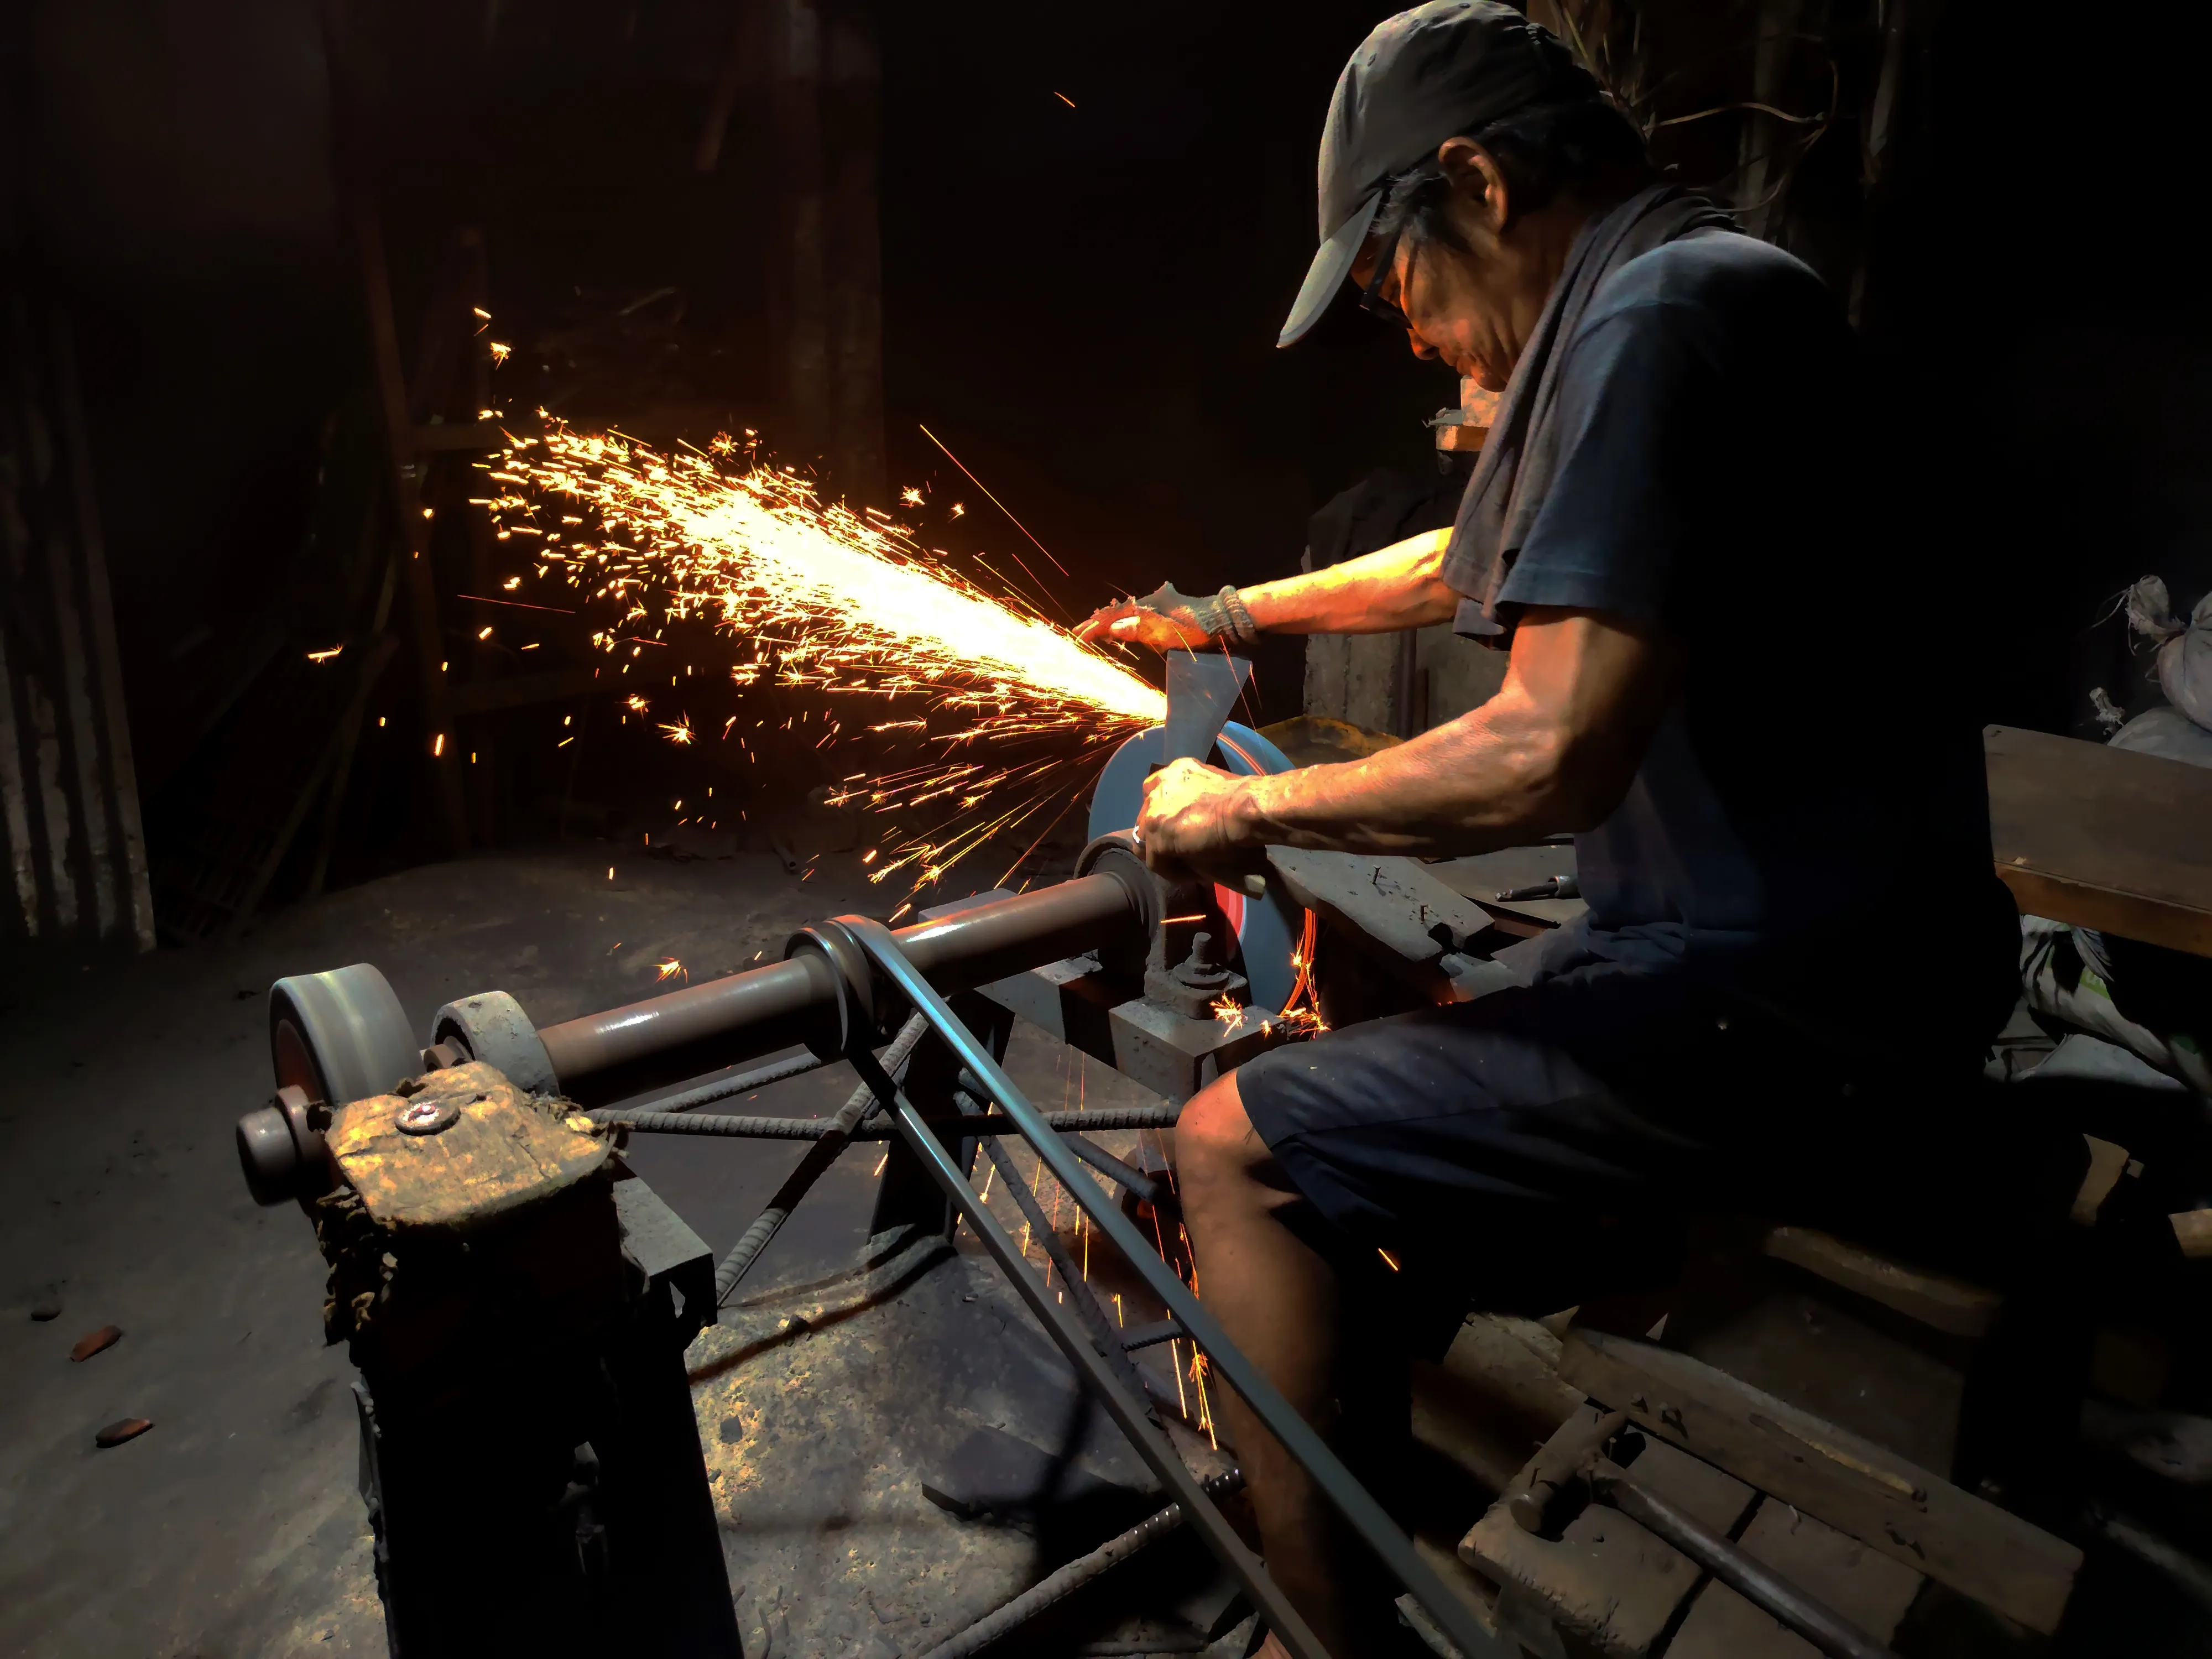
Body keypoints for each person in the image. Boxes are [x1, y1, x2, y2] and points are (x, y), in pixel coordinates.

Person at [1075, 4, 2018, 1653]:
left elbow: (1548, 757)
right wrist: (1221, 611)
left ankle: (1333, 1634)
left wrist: (1247, 806)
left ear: (1479, 185)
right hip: (1848, 965)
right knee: (1390, 1061)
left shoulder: (1659, 322)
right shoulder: (1678, 291)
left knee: (1238, 1148)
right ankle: (1375, 1409)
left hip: (1789, 1016)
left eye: (1401, 290)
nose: (1423, 340)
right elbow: (1464, 559)